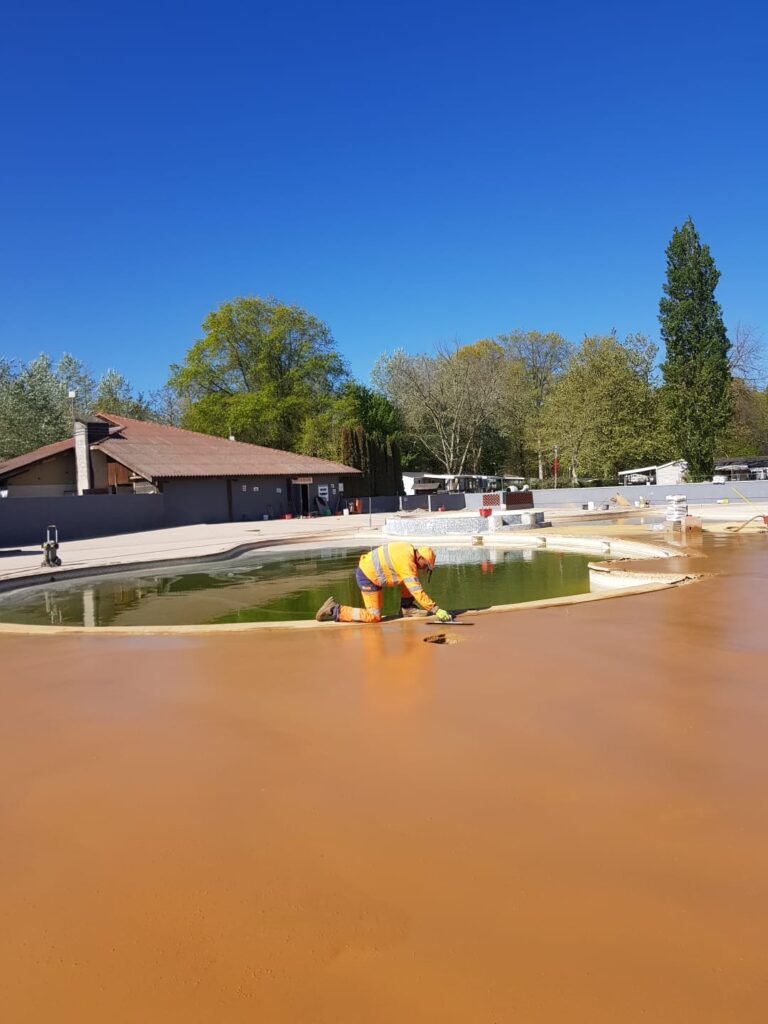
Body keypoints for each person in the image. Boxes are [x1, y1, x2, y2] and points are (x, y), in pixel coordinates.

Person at [315, 543, 453, 623]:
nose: (424, 569)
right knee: (374, 617)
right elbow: (416, 590)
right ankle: (335, 609)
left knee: (411, 578)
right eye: (426, 566)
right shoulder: (407, 563)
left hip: (372, 572)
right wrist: (435, 609)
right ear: (421, 557)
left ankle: (406, 608)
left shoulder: (408, 551)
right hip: (367, 576)